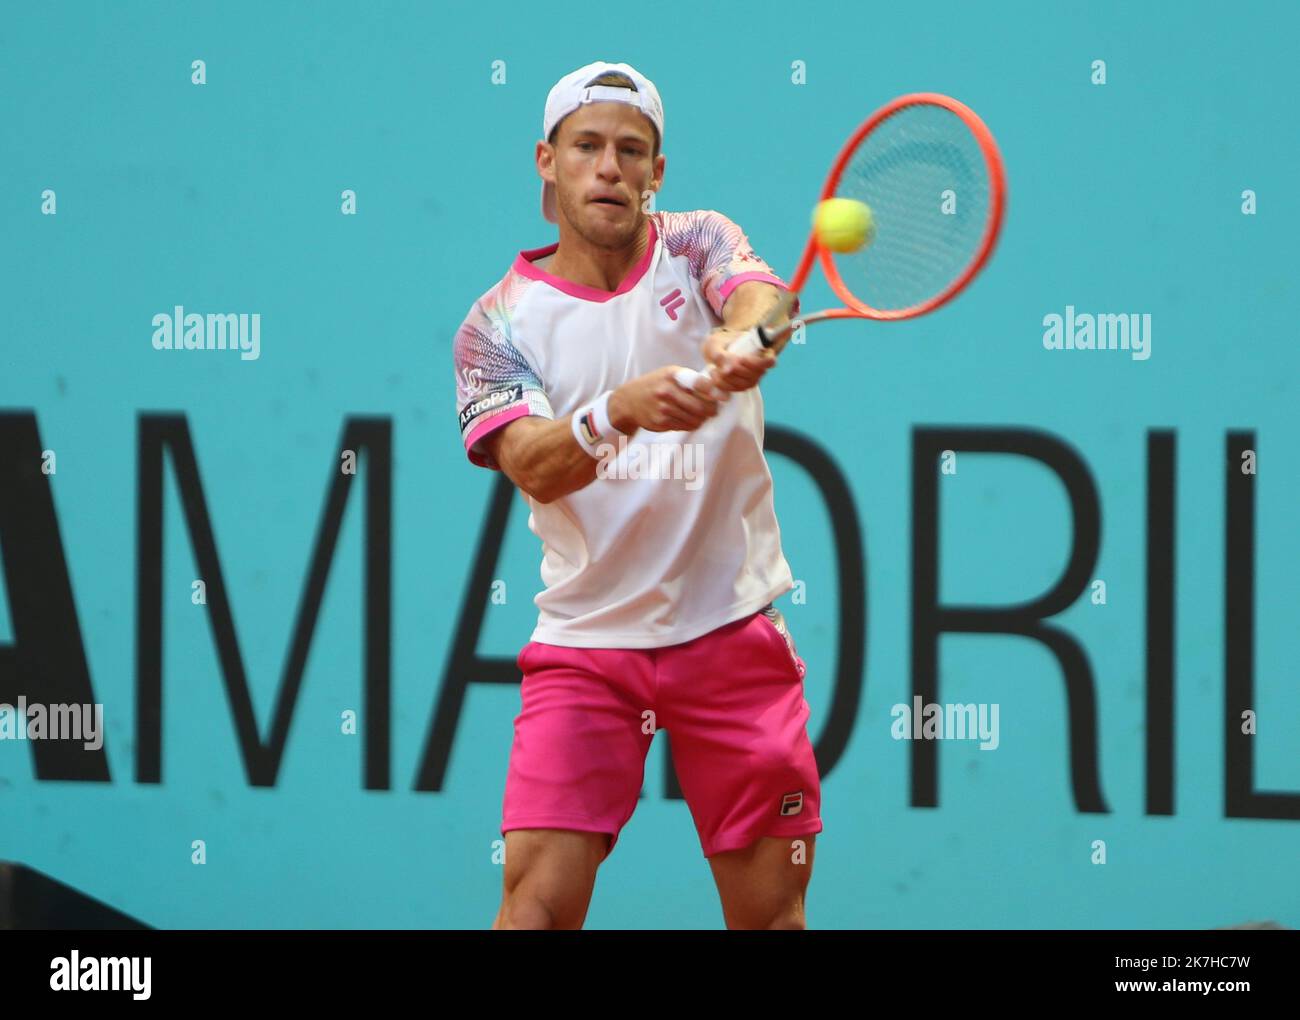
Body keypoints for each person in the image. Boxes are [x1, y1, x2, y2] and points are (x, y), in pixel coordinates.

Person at [453, 60, 822, 930]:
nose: (609, 167)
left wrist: (747, 341)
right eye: (587, 146)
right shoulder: (495, 326)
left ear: (658, 172)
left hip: (729, 629)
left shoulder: (698, 243)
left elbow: (764, 301)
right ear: (547, 161)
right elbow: (534, 465)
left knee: (772, 917)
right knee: (534, 908)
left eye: (632, 150)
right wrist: (619, 411)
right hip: (588, 645)